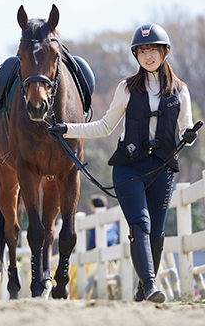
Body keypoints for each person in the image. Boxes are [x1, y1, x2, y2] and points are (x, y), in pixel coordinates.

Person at [48, 23, 198, 303]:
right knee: (140, 224)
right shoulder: (126, 88)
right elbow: (105, 126)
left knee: (156, 232)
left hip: (162, 169)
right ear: (136, 56)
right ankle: (151, 284)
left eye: (153, 49)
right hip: (129, 168)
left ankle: (143, 290)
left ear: (164, 52)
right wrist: (67, 128)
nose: (148, 55)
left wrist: (189, 136)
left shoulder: (181, 91)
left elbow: (186, 130)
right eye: (142, 51)